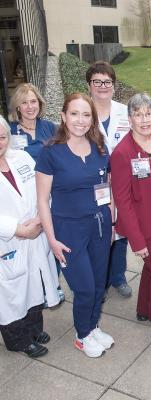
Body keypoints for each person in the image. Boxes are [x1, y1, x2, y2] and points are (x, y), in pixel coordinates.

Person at [36, 93, 114, 358]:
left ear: (92, 119)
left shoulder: (99, 147)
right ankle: (82, 335)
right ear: (63, 116)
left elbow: (106, 187)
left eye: (86, 115)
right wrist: (51, 239)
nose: (80, 120)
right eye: (74, 114)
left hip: (100, 227)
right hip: (68, 232)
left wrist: (111, 220)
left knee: (98, 285)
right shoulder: (50, 153)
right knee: (83, 287)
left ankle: (92, 327)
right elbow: (43, 201)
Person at [111, 93, 151, 340]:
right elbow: (123, 202)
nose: (144, 119)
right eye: (138, 115)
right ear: (129, 120)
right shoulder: (122, 153)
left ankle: (143, 309)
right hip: (144, 225)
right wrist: (137, 241)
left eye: (148, 113)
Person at [0, 115, 59, 358]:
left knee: (35, 284)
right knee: (11, 294)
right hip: (8, 242)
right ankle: (18, 340)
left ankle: (33, 329)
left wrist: (39, 219)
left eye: (2, 137)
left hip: (35, 233)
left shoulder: (21, 157)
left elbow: (41, 191)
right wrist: (16, 229)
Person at [8, 82, 64, 303]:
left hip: (49, 191)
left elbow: (62, 153)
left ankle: (53, 284)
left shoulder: (49, 127)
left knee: (52, 239)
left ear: (39, 104)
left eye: (33, 101)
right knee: (30, 242)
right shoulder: (10, 132)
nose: (30, 106)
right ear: (18, 107)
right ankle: (34, 290)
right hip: (22, 196)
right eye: (24, 102)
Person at [86, 61, 132, 299]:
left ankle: (118, 276)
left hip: (123, 182)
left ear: (114, 86)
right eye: (97, 82)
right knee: (100, 230)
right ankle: (100, 281)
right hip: (96, 183)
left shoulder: (125, 111)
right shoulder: (83, 112)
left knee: (121, 230)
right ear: (89, 85)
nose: (103, 86)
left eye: (107, 82)